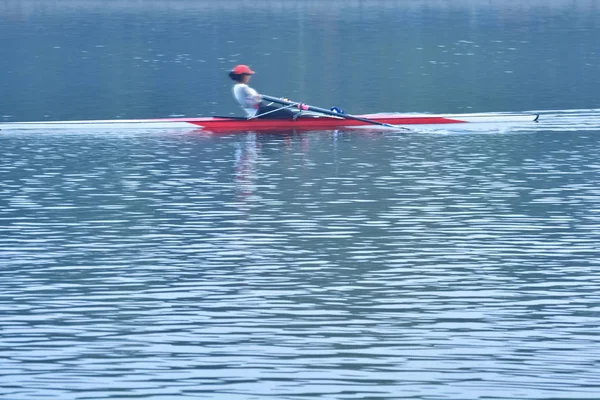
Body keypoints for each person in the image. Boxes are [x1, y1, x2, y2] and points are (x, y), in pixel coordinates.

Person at [229, 65, 297, 119]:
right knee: (289, 113)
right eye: (248, 75)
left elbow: (252, 100)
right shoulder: (242, 87)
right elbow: (252, 102)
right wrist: (258, 98)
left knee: (286, 111)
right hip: (259, 112)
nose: (249, 77)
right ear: (242, 76)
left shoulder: (236, 87)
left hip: (255, 111)